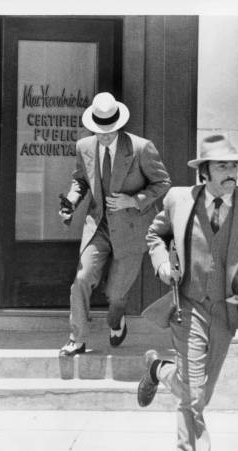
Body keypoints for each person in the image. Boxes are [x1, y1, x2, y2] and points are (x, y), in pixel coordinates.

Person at [137, 134, 238, 451]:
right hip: (189, 306)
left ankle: (157, 369)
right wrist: (162, 264)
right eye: (223, 166)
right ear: (205, 171)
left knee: (201, 392)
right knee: (193, 398)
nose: (232, 171)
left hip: (227, 310)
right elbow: (156, 236)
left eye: (234, 165)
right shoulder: (178, 200)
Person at [58, 92, 171, 356]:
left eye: (110, 130)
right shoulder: (84, 147)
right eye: (100, 131)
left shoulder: (141, 148)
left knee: (115, 294)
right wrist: (71, 203)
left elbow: (162, 182)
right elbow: (80, 180)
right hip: (98, 226)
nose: (105, 135)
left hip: (132, 230)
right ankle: (78, 339)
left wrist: (133, 200)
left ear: (119, 125)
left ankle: (116, 320)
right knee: (82, 278)